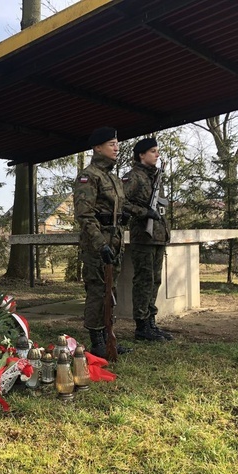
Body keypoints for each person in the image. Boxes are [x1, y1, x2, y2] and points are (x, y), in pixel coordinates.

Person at [73, 127, 134, 358]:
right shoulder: (88, 176)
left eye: (117, 144)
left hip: (115, 240)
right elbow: (85, 215)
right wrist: (101, 245)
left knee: (111, 290)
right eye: (111, 144)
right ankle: (97, 340)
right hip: (97, 243)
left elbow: (120, 207)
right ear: (97, 148)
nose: (117, 148)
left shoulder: (114, 179)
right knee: (98, 291)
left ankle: (109, 337)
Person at [122, 137, 174, 341]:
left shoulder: (154, 177)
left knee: (155, 281)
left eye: (157, 150)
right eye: (153, 151)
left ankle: (151, 322)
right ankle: (142, 326)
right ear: (141, 155)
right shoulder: (133, 177)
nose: (157, 154)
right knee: (144, 281)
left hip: (158, 237)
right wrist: (143, 212)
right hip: (143, 237)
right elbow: (120, 203)